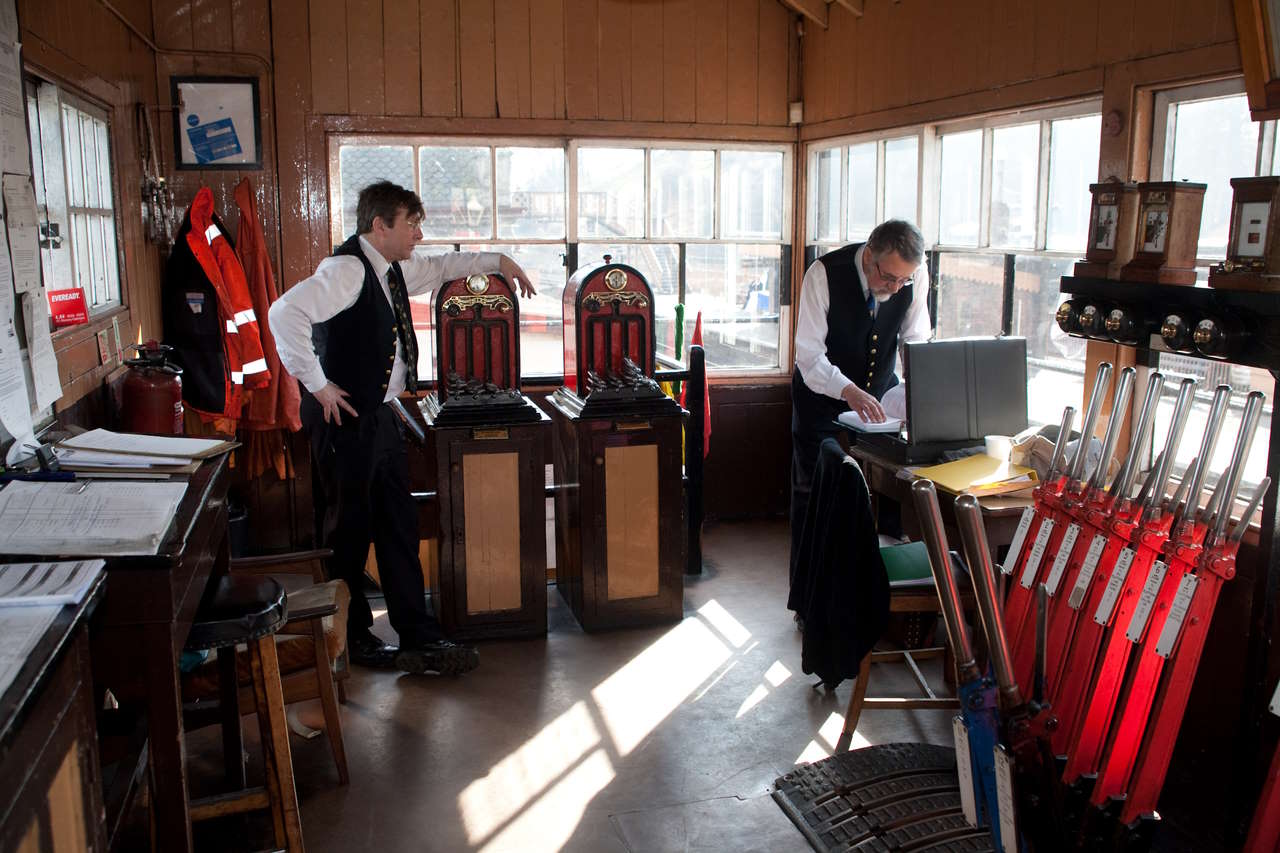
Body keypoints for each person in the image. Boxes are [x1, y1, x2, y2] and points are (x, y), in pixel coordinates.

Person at [269, 181, 535, 675]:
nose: (418, 233)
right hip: (345, 418)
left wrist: (497, 260)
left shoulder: (388, 270)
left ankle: (417, 637)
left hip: (381, 415)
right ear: (379, 226)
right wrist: (319, 385)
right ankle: (349, 639)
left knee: (399, 526)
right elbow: (284, 313)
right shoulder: (347, 270)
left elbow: (439, 269)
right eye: (410, 223)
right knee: (348, 532)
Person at [789, 219, 930, 577]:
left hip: (879, 400)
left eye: (904, 280)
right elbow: (808, 355)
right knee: (813, 494)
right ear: (869, 256)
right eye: (889, 278)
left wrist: (919, 391)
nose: (896, 288)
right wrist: (848, 390)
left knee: (888, 491)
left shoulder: (912, 277)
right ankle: (808, 598)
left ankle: (875, 594)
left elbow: (915, 341)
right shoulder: (823, 274)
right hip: (819, 397)